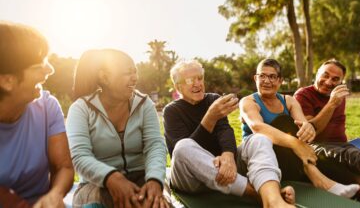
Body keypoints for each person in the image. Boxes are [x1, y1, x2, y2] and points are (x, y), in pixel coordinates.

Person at [164, 60, 296, 208]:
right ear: (178, 86)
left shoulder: (213, 99)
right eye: (189, 80)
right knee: (183, 146)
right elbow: (184, 155)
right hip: (191, 180)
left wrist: (228, 154)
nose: (197, 84)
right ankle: (259, 195)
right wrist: (209, 118)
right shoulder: (171, 111)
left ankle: (273, 200)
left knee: (258, 139)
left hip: (225, 171)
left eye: (199, 78)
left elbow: (224, 130)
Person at [240, 58, 359, 199]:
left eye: (272, 77)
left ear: (280, 80)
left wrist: (307, 128)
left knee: (297, 129)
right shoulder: (248, 101)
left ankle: (350, 186)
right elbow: (257, 127)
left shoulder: (288, 101)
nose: (267, 81)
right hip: (255, 161)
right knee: (284, 122)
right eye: (262, 76)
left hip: (284, 161)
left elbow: (304, 129)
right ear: (255, 78)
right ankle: (320, 181)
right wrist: (296, 143)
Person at [66, 49, 169, 208]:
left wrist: (155, 180)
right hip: (97, 184)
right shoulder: (80, 109)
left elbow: (155, 144)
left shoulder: (144, 104)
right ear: (104, 77)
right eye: (128, 73)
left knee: (156, 203)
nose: (134, 78)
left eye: (135, 72)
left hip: (144, 177)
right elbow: (79, 156)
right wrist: (112, 178)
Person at [0, 22, 74, 207]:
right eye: (40, 63)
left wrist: (55, 194)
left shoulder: (48, 106)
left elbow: (63, 167)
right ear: (7, 80)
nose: (50, 69)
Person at [294, 59, 360, 206]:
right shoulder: (303, 95)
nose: (328, 82)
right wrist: (332, 103)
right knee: (354, 157)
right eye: (325, 75)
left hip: (343, 146)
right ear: (317, 74)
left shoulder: (338, 95)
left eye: (335, 79)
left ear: (341, 82)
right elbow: (310, 134)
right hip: (315, 147)